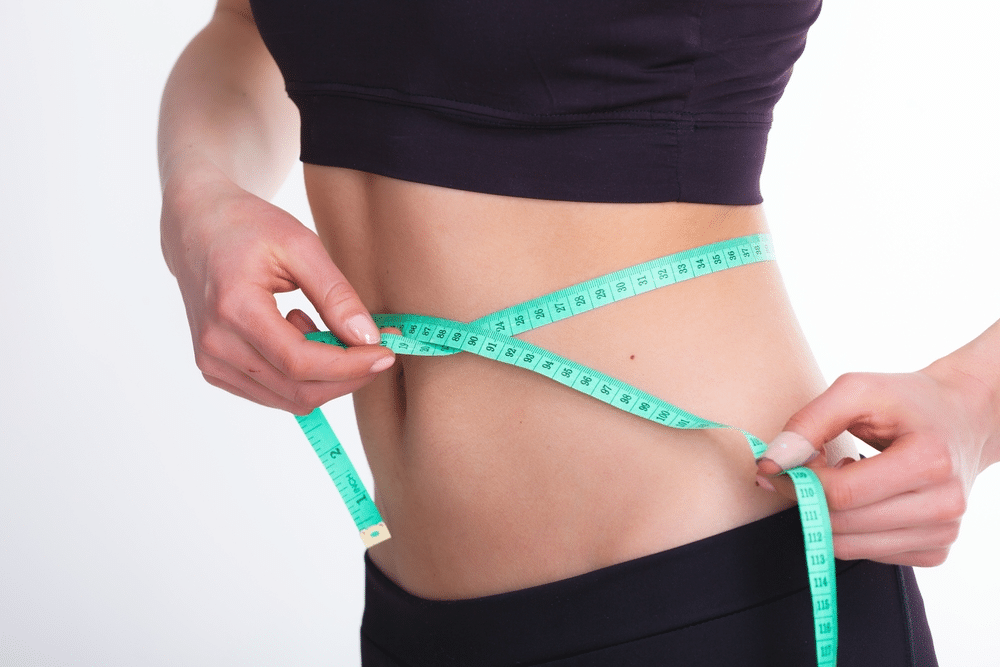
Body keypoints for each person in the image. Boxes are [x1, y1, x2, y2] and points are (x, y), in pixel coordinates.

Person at [158, 1, 998, 665]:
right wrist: (199, 194)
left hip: (715, 593)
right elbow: (243, 27)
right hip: (408, 614)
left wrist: (973, 405)